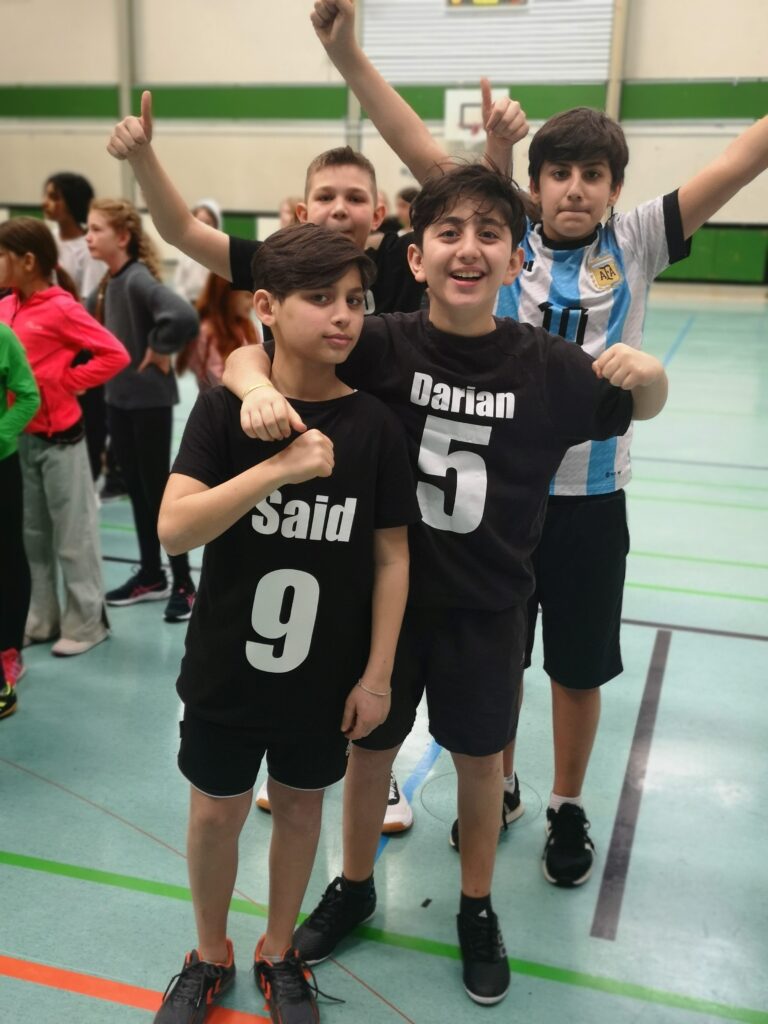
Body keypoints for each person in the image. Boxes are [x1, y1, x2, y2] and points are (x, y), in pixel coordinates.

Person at [317, 0, 768, 884]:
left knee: (577, 667)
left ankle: (567, 801)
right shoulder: (501, 232)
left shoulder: (640, 238)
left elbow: (740, 159)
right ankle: (505, 783)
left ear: (615, 187)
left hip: (591, 497)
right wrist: (346, 54)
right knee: (500, 661)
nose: (574, 189)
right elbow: (411, 142)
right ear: (534, 184)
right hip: (500, 498)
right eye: (558, 173)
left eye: (593, 175)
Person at [224, 150, 669, 1005]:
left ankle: (475, 905)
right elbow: (259, 350)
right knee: (369, 752)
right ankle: (355, 883)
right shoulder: (380, 342)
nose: (469, 248)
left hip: (489, 609)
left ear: (516, 258)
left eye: (491, 234)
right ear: (417, 255)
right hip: (380, 605)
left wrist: (652, 379)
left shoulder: (547, 366)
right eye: (450, 232)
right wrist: (250, 385)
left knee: (478, 762)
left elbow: (634, 405)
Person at [106, 85, 514, 827]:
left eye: (355, 197)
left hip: (384, 477)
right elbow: (184, 236)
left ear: (380, 214)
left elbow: (472, 215)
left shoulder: (401, 269)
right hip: (302, 471)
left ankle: (375, 769)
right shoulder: (286, 266)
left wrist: (498, 153)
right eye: (324, 196)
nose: (339, 208)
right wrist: (143, 159)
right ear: (301, 210)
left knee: (373, 636)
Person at [152, 222, 418, 1024]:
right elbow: (175, 529)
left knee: (301, 809)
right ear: (266, 306)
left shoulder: (374, 426)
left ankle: (278, 951)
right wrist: (279, 470)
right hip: (226, 668)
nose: (344, 316)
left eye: (356, 301)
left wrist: (377, 678)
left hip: (324, 675)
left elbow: (392, 558)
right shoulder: (222, 411)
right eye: (321, 298)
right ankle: (209, 954)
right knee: (215, 813)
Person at [0, 218, 129, 657]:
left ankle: (87, 623)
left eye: (2, 255)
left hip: (61, 440)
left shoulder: (61, 308)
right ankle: (41, 617)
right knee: (32, 537)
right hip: (21, 440)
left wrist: (68, 381)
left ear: (28, 261)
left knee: (74, 537)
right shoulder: (6, 307)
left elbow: (114, 353)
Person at [85, 199, 200, 623]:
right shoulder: (108, 282)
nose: (88, 237)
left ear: (122, 237)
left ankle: (184, 582)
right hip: (118, 401)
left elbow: (182, 315)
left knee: (158, 494)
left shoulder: (135, 279)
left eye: (96, 229)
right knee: (136, 489)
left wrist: (159, 346)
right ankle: (152, 574)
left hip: (148, 403)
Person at [42, 171, 111, 484]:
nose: (46, 203)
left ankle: (90, 477)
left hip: (77, 346)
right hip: (46, 343)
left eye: (54, 197)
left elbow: (89, 305)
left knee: (88, 417)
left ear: (70, 203)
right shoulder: (47, 241)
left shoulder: (86, 248)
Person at [0, 323, 39, 716]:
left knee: (8, 555)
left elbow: (28, 396)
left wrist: (0, 434)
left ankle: (9, 649)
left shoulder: (2, 337)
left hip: (2, 465)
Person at [176, 273, 258, 391]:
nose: (253, 304)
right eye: (248, 296)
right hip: (225, 399)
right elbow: (218, 381)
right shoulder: (206, 333)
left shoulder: (248, 327)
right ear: (227, 295)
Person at [172, 199, 223, 303]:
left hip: (211, 305)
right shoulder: (185, 251)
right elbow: (179, 283)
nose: (202, 226)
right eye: (198, 222)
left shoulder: (220, 253)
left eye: (208, 222)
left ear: (216, 225)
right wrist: (186, 305)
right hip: (188, 304)